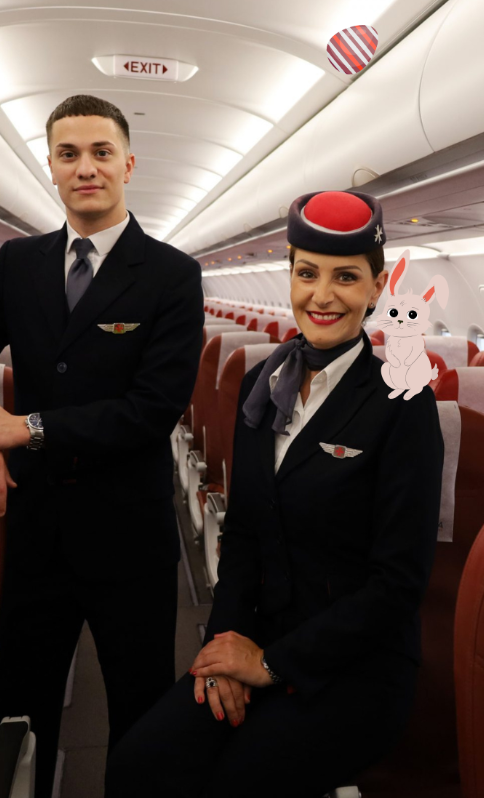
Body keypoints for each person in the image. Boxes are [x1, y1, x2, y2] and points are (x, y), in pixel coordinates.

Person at [0, 95, 204, 798]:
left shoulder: (171, 274)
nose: (86, 168)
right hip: (31, 531)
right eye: (69, 154)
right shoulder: (19, 263)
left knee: (140, 719)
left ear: (128, 164)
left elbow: (152, 410)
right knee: (21, 715)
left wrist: (24, 428)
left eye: (101, 152)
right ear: (51, 166)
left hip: (128, 536)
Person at [105, 191, 444, 797]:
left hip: (356, 667)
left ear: (375, 289)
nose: (322, 295)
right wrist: (225, 647)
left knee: (236, 783)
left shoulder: (404, 401)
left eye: (346, 277)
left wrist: (269, 664)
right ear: (289, 276)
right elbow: (242, 535)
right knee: (138, 763)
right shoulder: (263, 383)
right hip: (258, 638)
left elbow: (397, 584)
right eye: (307, 273)